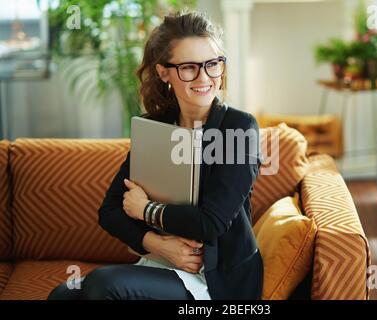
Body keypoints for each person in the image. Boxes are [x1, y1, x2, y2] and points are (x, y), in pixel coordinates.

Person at [48, 10, 263, 300]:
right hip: (163, 263)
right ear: (164, 72)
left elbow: (211, 222)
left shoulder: (239, 128)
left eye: (213, 64)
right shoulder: (156, 127)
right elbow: (110, 210)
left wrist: (145, 210)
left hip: (213, 280)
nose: (204, 77)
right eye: (189, 67)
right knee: (63, 295)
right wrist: (158, 245)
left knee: (103, 284)